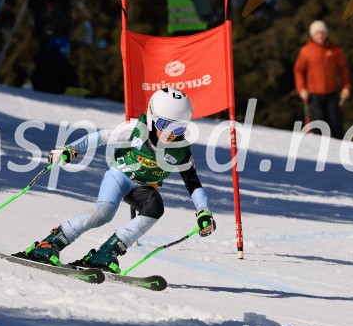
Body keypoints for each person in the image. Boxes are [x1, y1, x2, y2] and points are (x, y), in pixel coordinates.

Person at [16, 88, 217, 273]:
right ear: (151, 118)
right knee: (105, 212)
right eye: (165, 125)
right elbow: (101, 137)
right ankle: (50, 244)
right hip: (119, 176)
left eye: (179, 128)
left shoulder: (181, 149)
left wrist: (203, 210)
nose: (171, 134)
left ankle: (107, 253)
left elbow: (192, 181)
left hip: (143, 187)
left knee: (155, 208)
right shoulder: (135, 130)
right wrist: (70, 149)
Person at [294, 20, 351, 139]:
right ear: (312, 35)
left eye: (322, 33)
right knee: (317, 126)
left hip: (332, 93)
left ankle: (340, 151)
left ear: (326, 34)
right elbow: (298, 70)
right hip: (313, 95)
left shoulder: (335, 50)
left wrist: (346, 86)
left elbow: (343, 69)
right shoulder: (306, 51)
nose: (320, 36)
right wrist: (301, 89)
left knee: (336, 125)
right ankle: (317, 154)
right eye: (317, 33)